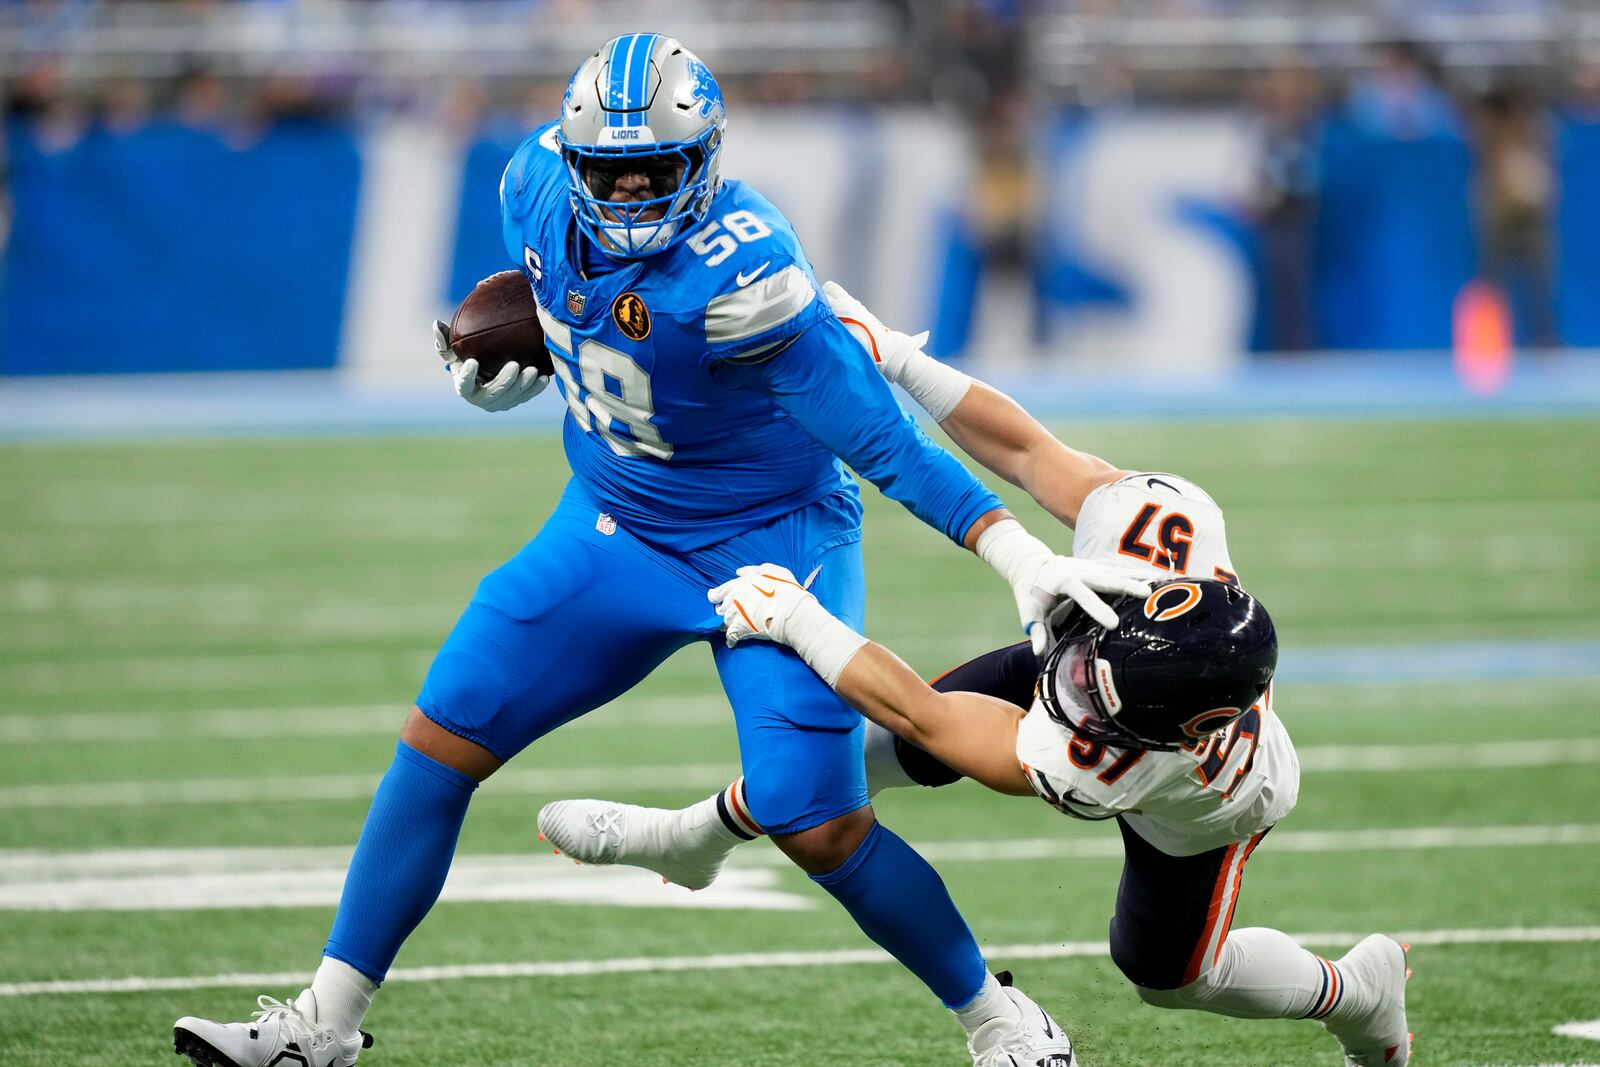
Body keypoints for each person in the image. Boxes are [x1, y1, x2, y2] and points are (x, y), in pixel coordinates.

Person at [172, 35, 1134, 1067]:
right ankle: (322, 1023)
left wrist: (1013, 552)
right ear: (572, 161)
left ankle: (1001, 1019)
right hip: (614, 526)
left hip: (770, 543)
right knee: (440, 738)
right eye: (608, 171)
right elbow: (568, 307)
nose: (628, 192)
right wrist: (524, 365)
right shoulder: (536, 184)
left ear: (705, 160)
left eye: (654, 170)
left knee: (816, 819)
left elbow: (878, 437)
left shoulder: (745, 267)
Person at [539, 289, 1414, 1067]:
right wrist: (899, 355)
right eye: (1084, 674)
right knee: (837, 771)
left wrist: (802, 621)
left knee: (1169, 975)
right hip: (1131, 674)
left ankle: (1357, 993)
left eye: (1095, 696)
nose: (1067, 687)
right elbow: (1032, 453)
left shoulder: (1116, 760)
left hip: (1196, 813)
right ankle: (696, 839)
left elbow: (926, 715)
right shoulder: (1165, 532)